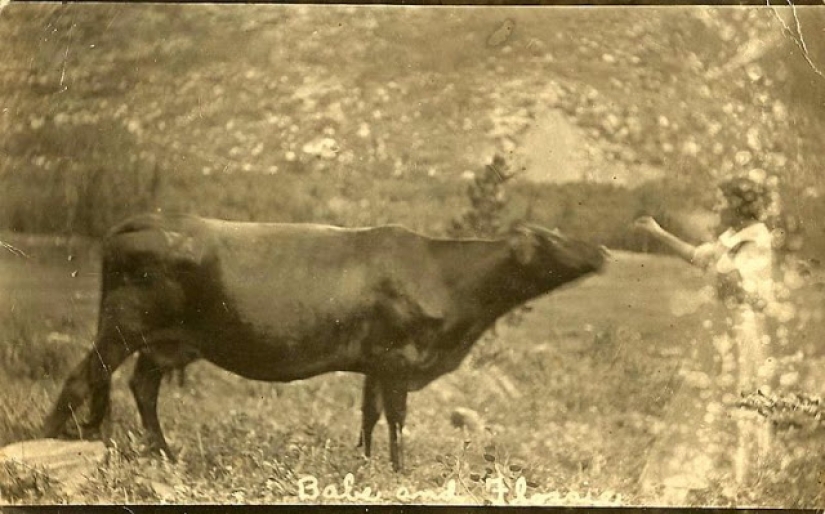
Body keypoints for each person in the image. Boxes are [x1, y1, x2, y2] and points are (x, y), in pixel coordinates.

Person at [634, 174, 777, 497]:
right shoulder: (732, 236)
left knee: (735, 393)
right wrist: (658, 233)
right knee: (704, 396)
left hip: (738, 331)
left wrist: (722, 269)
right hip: (718, 328)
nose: (717, 207)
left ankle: (736, 477)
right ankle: (700, 471)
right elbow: (699, 257)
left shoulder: (756, 239)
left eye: (722, 202)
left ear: (739, 207)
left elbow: (743, 287)